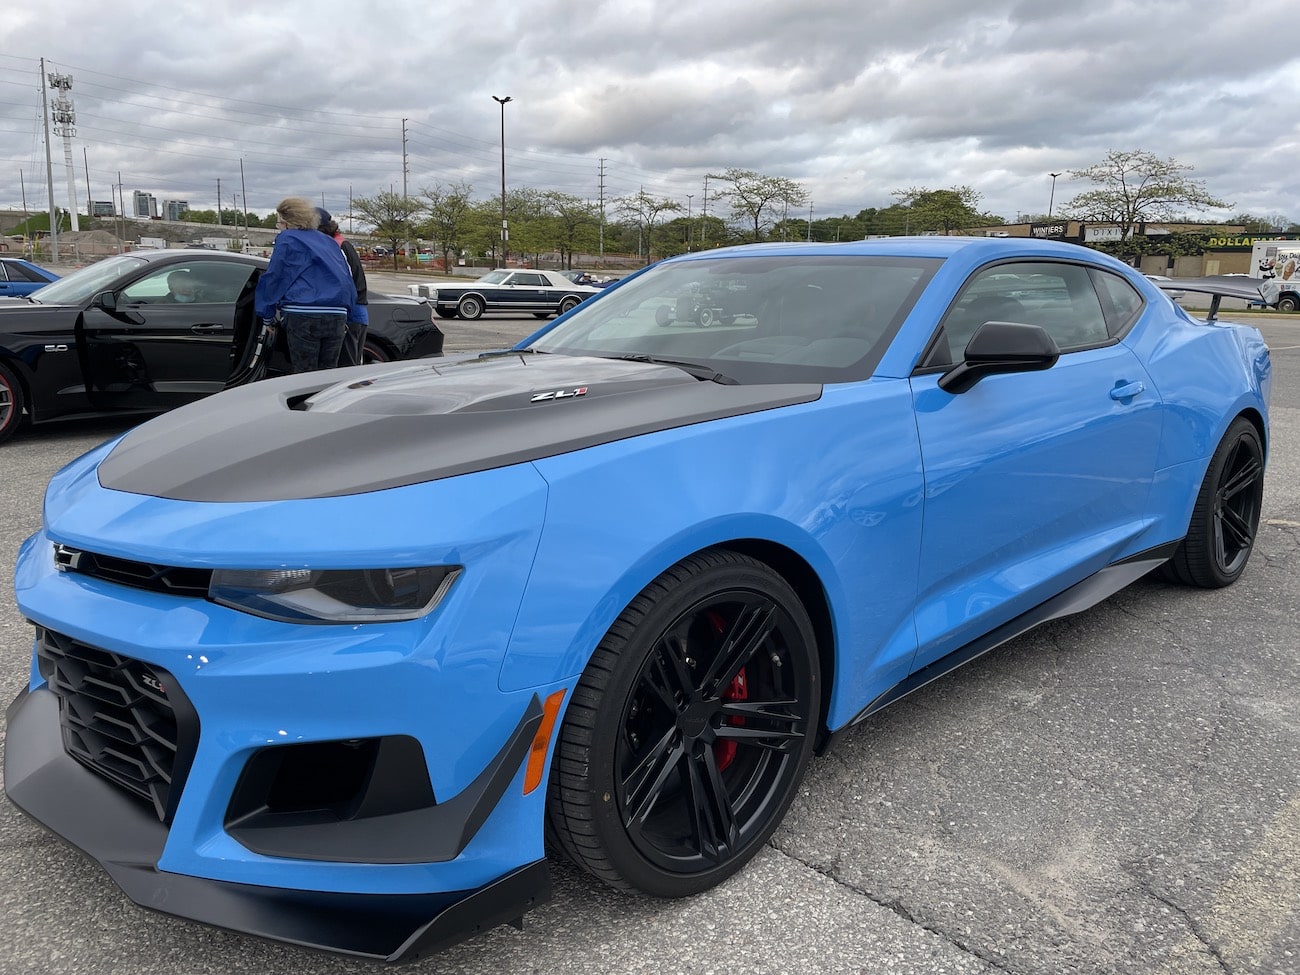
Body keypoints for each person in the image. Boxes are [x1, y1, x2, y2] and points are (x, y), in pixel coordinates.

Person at [254, 196, 360, 373]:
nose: (279, 227)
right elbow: (346, 278)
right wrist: (347, 313)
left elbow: (276, 276)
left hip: (303, 313)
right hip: (337, 314)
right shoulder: (329, 242)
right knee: (328, 373)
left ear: (287, 221)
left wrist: (267, 315)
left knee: (304, 374)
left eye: (278, 222)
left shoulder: (288, 239)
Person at [316, 207, 369, 366]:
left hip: (350, 313)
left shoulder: (336, 246)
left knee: (346, 367)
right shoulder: (340, 243)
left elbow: (345, 282)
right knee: (351, 364)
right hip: (356, 311)